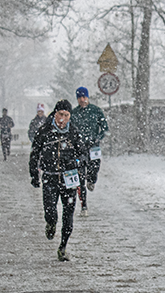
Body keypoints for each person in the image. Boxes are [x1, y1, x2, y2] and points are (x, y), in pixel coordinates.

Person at [29, 99, 87, 261]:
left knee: (68, 215)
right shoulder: (45, 131)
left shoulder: (73, 132)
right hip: (50, 177)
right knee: (50, 210)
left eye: (66, 115)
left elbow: (83, 153)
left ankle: (63, 247)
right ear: (55, 114)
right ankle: (51, 223)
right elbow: (35, 153)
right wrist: (34, 174)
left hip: (69, 178)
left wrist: (78, 162)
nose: (63, 119)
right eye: (60, 114)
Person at [71, 87, 109, 216]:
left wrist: (97, 138)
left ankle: (92, 180)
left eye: (84, 97)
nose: (82, 99)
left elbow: (105, 128)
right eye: (80, 97)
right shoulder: (74, 113)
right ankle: (84, 205)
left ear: (87, 97)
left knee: (94, 168)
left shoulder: (96, 111)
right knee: (80, 176)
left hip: (93, 148)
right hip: (79, 149)